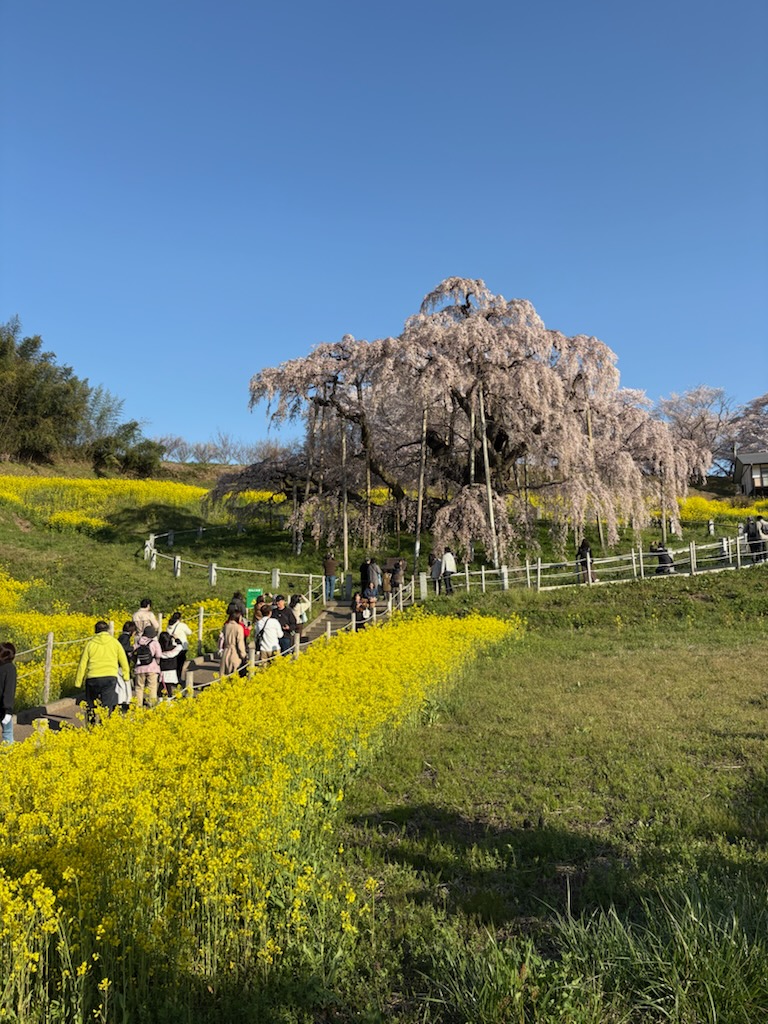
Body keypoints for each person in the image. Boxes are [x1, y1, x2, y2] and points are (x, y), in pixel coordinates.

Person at [76, 621, 130, 723]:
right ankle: (104, 725)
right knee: (107, 704)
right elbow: (124, 661)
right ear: (108, 630)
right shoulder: (115, 643)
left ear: (95, 631)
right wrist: (126, 676)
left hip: (93, 678)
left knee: (91, 705)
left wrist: (78, 682)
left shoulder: (90, 644)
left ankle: (91, 725)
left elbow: (82, 664)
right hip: (110, 677)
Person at [133, 625, 163, 708]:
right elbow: (159, 655)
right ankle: (151, 704)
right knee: (152, 687)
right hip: (152, 667)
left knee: (139, 687)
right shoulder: (154, 643)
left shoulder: (138, 642)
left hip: (139, 668)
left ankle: (138, 705)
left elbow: (131, 652)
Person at [116, 620, 137, 712]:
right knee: (125, 683)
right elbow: (124, 648)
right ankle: (126, 702)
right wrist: (133, 648)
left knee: (121, 683)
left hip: (119, 664)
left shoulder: (121, 637)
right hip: (122, 665)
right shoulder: (125, 637)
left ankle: (121, 701)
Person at [167, 611, 192, 680]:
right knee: (180, 664)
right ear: (180, 618)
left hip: (172, 646)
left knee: (174, 663)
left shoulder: (169, 625)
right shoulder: (182, 625)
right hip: (182, 646)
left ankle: (174, 678)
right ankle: (178, 678)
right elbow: (189, 632)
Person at [0, 642, 17, 744]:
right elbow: (9, 690)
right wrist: (8, 710)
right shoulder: (10, 668)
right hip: (3, 708)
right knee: (7, 733)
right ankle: (9, 752)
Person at [158, 631, 183, 699]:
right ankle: (169, 701)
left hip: (163, 671)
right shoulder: (174, 649)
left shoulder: (159, 650)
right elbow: (180, 645)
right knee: (169, 687)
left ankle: (160, 701)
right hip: (172, 671)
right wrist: (176, 638)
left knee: (161, 687)